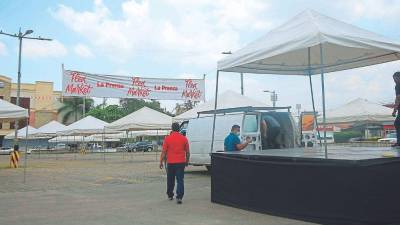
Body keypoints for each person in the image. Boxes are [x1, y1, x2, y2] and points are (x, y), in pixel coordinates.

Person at [159, 122, 190, 204]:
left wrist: (161, 162)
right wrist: (187, 161)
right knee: (180, 180)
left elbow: (164, 152)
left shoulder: (167, 139)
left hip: (171, 163)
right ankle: (179, 197)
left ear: (172, 129)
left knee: (170, 180)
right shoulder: (184, 138)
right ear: (179, 129)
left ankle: (170, 195)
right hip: (181, 162)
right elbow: (187, 152)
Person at [392, 72, 400, 147]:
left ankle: (399, 142)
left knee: (397, 124)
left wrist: (394, 110)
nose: (394, 81)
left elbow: (398, 98)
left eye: (395, 79)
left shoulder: (398, 86)